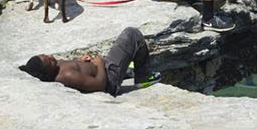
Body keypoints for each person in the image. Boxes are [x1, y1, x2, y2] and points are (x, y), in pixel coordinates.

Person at [19, 27, 155, 96]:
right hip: (109, 80)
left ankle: (129, 71)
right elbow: (100, 85)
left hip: (103, 69)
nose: (51, 57)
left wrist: (80, 61)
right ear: (47, 74)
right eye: (50, 61)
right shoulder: (67, 76)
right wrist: (100, 64)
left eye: (46, 55)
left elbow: (74, 68)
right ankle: (143, 77)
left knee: (124, 52)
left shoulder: (56, 68)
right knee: (131, 34)